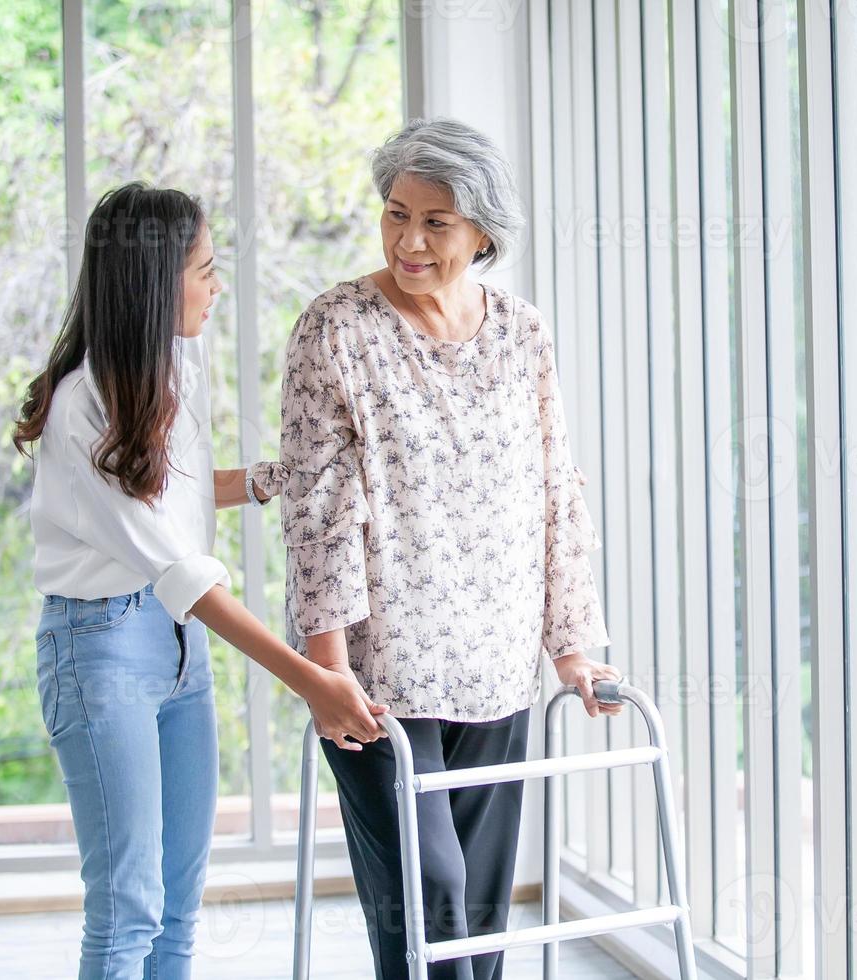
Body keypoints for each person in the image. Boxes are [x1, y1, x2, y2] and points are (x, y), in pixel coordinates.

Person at [249, 118, 623, 980]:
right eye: (394, 213)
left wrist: (572, 650)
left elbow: (553, 487)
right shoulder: (335, 327)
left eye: (436, 222)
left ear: (484, 231)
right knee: (431, 904)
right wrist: (327, 672)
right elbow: (320, 512)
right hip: (382, 680)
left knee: (481, 921)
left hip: (496, 667)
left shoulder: (522, 332)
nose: (408, 240)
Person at [13, 182, 389, 979]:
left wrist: (260, 479)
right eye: (206, 271)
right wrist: (314, 680)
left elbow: (157, 492)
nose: (217, 287)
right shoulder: (85, 403)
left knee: (179, 907)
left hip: (174, 648)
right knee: (129, 908)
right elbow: (179, 569)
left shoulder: (169, 369)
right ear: (155, 281)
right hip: (100, 649)